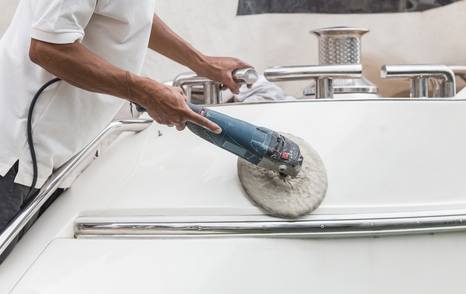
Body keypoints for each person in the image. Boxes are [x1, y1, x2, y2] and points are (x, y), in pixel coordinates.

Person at [0, 1, 249, 243]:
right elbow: (48, 47)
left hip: (58, 151)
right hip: (15, 150)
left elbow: (130, 14)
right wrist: (144, 93)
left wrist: (200, 62)